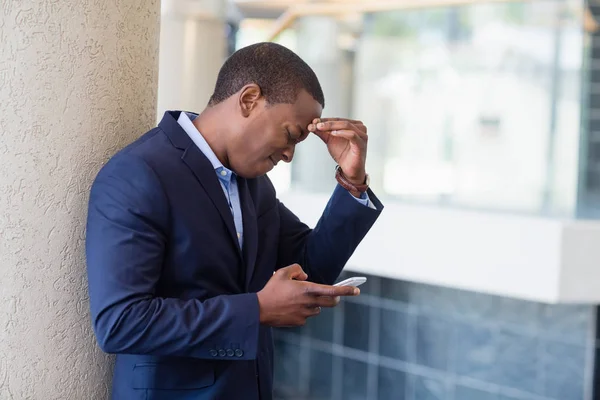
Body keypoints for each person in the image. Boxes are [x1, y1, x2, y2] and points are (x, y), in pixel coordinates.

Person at [85, 42, 383, 400]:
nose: (289, 155)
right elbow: (121, 322)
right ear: (249, 100)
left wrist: (352, 182)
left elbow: (309, 269)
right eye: (290, 135)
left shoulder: (254, 185)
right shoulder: (139, 173)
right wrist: (256, 309)